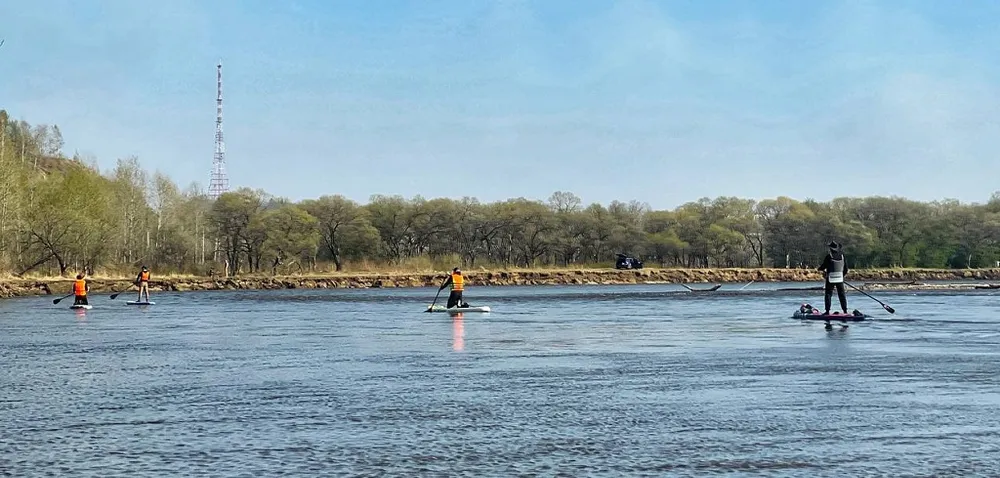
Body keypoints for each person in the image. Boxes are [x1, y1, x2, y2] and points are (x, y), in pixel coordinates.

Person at [817, 241, 848, 315]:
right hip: (840, 279)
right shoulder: (842, 256)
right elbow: (846, 269)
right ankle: (845, 311)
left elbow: (823, 266)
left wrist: (819, 269)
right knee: (842, 295)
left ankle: (827, 311)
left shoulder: (829, 256)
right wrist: (841, 276)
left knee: (828, 294)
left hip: (830, 278)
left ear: (830, 248)